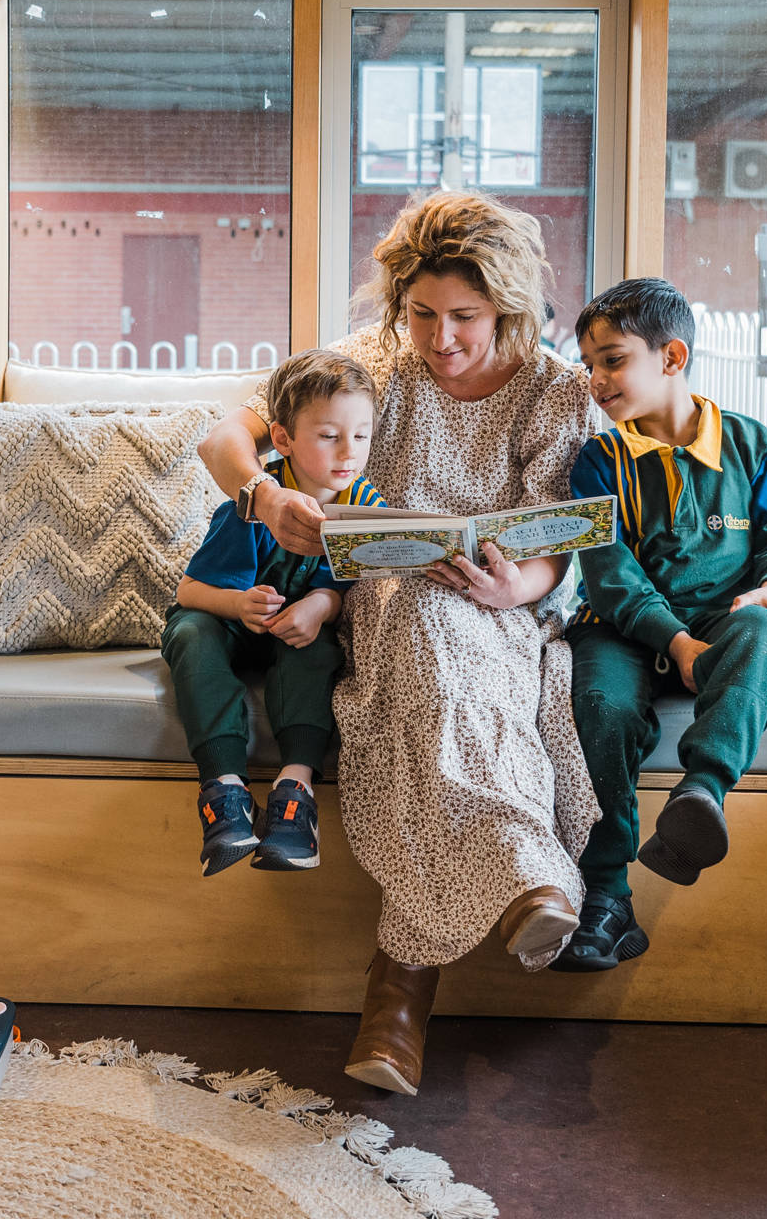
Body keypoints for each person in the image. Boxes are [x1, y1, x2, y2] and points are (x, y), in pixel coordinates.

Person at [197, 190, 600, 1096]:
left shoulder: (555, 390)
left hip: (499, 607)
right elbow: (227, 435)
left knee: (461, 667)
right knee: (421, 643)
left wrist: (513, 585)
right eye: (421, 313)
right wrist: (267, 497)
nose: (440, 337)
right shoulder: (372, 361)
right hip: (381, 598)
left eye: (464, 317)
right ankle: (529, 879)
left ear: (507, 307)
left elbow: (555, 542)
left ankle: (400, 998)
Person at [554, 277, 767, 972]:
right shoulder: (598, 460)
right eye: (588, 364)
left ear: (671, 357)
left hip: (723, 616)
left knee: (763, 632)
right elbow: (608, 573)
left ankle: (702, 792)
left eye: (612, 359)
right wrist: (679, 647)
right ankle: (606, 897)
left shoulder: (751, 445)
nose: (596, 379)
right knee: (602, 708)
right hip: (621, 628)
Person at [164, 349, 383, 876]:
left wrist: (320, 605)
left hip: (294, 633)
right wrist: (238, 604)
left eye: (361, 435)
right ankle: (225, 791)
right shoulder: (254, 503)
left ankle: (295, 793)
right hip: (227, 622)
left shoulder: (365, 507)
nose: (347, 452)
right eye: (329, 435)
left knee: (322, 647)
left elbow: (343, 587)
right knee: (192, 635)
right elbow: (190, 591)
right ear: (282, 439)